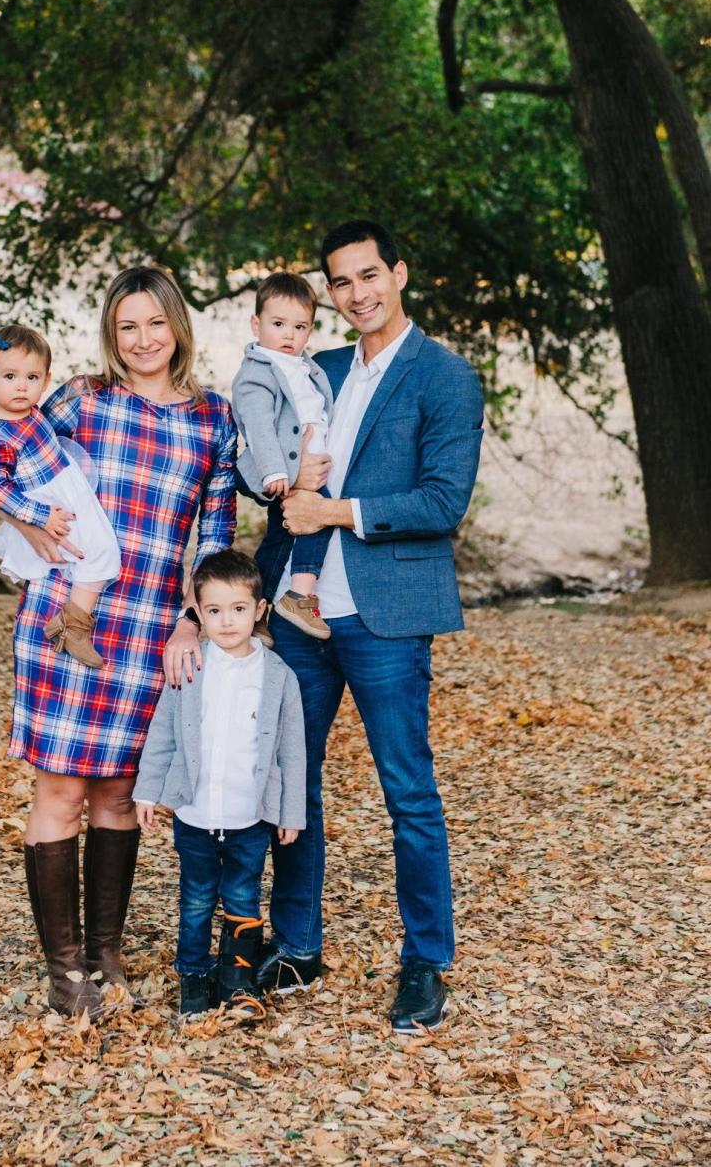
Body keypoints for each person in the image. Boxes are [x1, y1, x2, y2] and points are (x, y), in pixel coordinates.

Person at [253, 219, 484, 1034]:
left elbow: (442, 502)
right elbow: (274, 479)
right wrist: (277, 499)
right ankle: (298, 944)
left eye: (368, 276)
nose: (356, 294)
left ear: (399, 274)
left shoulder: (445, 378)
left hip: (386, 616)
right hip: (297, 616)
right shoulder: (314, 368)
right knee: (290, 782)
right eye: (340, 284)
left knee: (408, 794)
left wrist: (339, 510)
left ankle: (425, 963)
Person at [0, 269, 237, 1020]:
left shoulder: (213, 419)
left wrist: (193, 618)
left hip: (152, 630)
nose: (142, 340)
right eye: (127, 326)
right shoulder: (77, 400)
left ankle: (104, 953)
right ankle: (62, 969)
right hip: (71, 618)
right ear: (111, 333)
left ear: (177, 328)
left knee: (119, 795)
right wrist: (32, 527)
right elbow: (9, 452)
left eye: (155, 324)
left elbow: (216, 533)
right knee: (61, 789)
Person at [134, 549, 306, 1022]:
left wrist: (291, 813)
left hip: (249, 816)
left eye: (237, 609)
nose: (226, 622)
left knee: (244, 897)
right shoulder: (189, 666)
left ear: (260, 611)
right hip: (196, 813)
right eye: (213, 611)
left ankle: (237, 980)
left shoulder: (278, 677)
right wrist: (148, 792)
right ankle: (193, 974)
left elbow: (292, 751)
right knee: (195, 899)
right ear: (199, 613)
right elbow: (163, 732)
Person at [0, 323, 122, 670]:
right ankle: (75, 624)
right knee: (100, 553)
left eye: (32, 377)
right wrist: (40, 516)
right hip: (50, 503)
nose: (21, 386)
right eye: (9, 376)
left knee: (102, 551)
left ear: (46, 380)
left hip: (69, 486)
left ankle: (72, 620)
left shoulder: (32, 412)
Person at [231, 273, 334, 640]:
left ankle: (257, 608)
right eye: (278, 324)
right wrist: (279, 471)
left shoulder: (303, 365)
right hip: (284, 470)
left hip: (304, 468)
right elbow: (258, 424)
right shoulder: (259, 371)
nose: (289, 335)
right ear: (256, 324)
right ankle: (300, 595)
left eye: (299, 326)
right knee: (316, 521)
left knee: (279, 539)